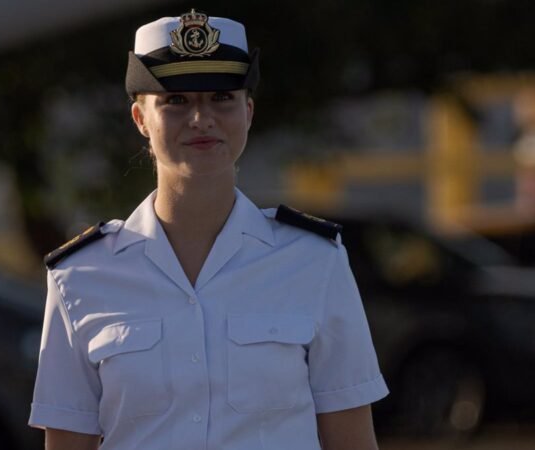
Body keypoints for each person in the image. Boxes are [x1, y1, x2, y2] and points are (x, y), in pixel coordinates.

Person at [28, 8, 389, 450]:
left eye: (222, 98)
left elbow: (351, 439)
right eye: (175, 101)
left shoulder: (315, 261)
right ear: (141, 119)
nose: (201, 118)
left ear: (249, 111)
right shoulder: (79, 277)